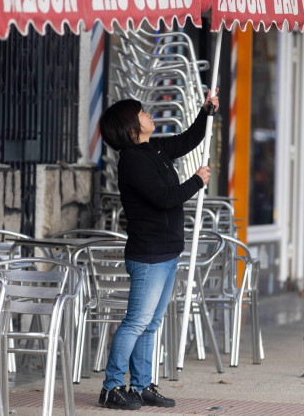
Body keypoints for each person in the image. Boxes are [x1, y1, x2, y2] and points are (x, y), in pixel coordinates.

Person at [97, 89, 219, 410]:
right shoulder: (133, 162)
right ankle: (112, 387)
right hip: (148, 255)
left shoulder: (153, 148)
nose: (148, 114)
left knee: (151, 324)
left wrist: (205, 111)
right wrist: (196, 181)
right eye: (141, 113)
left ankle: (140, 385)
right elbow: (165, 199)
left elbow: (186, 141)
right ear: (130, 126)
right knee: (136, 322)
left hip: (167, 251)